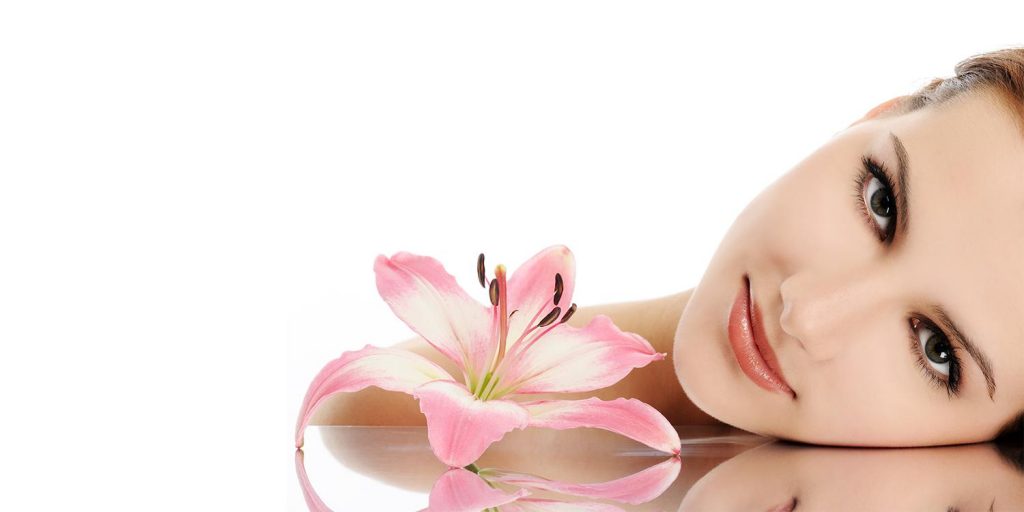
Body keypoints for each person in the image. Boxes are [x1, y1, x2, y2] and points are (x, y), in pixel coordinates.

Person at [310, 46, 1024, 447]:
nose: (806, 314)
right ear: (876, 115)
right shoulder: (391, 413)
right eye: (880, 201)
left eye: (937, 350)